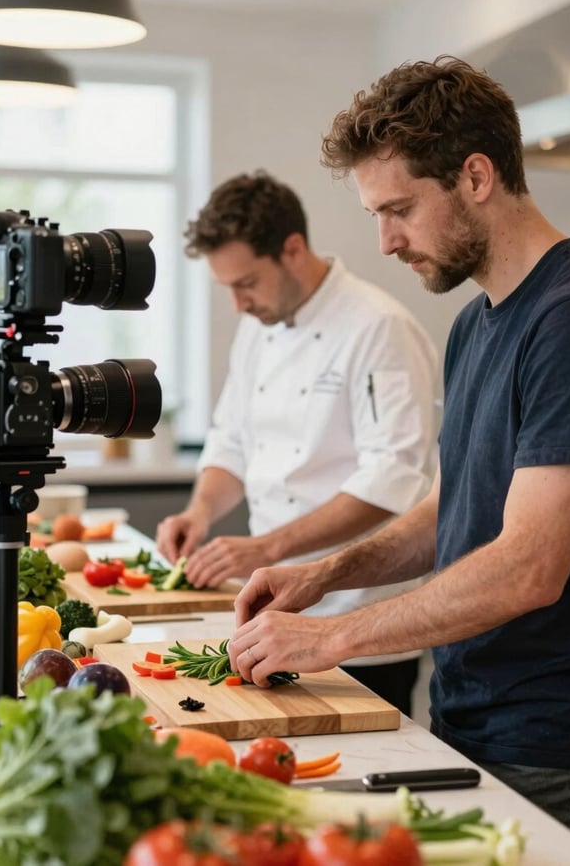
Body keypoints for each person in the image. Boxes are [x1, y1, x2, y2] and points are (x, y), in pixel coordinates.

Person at [227, 58, 570, 865]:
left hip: (566, 744)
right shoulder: (478, 322)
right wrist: (326, 575)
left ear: (476, 175)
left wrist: (332, 640)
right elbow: (455, 507)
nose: (385, 241)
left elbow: (527, 567)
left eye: (398, 210)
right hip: (478, 717)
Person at [156, 170, 440, 716]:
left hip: (357, 621)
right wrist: (201, 510)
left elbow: (393, 482)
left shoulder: (380, 327)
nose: (238, 303)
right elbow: (231, 442)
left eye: (245, 283)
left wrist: (266, 548)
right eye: (228, 288)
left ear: (291, 249)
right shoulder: (259, 325)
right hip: (273, 615)